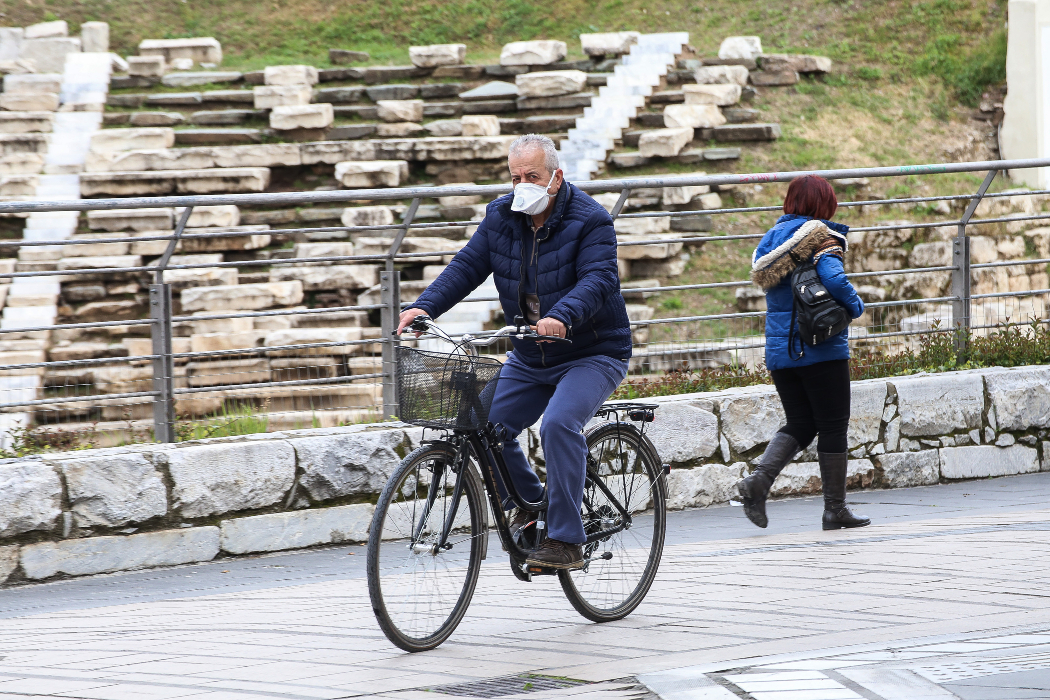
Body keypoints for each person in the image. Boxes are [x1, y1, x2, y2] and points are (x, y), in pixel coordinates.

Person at [397, 134, 632, 569]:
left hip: (591, 352)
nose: (522, 184)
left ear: (556, 178)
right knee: (482, 423)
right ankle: (527, 504)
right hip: (530, 354)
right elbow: (467, 265)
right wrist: (423, 306)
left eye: (533, 176)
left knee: (560, 424)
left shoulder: (591, 220)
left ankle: (565, 540)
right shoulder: (501, 216)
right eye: (516, 176)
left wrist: (563, 315)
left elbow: (599, 280)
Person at [738, 175, 871, 531]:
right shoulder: (819, 236)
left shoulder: (769, 239)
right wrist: (856, 307)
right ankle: (835, 509)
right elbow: (834, 278)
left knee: (801, 422)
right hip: (819, 347)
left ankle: (758, 483)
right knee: (832, 424)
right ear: (822, 204)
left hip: (780, 352)